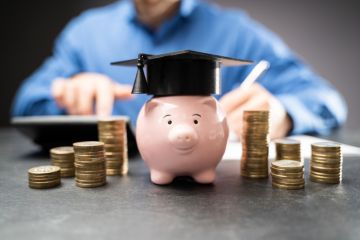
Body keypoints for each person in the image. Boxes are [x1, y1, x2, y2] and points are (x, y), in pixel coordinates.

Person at [12, 0, 347, 139]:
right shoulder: (85, 34)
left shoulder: (237, 33)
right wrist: (65, 93)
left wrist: (284, 113)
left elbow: (324, 98)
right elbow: (27, 101)